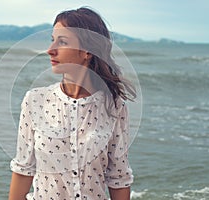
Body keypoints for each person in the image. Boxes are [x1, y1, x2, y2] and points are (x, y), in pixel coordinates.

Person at [9, 7, 136, 200]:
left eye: (62, 42)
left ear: (88, 51)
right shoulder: (35, 101)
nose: (50, 50)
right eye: (52, 40)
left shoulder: (114, 106)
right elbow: (23, 169)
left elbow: (118, 177)